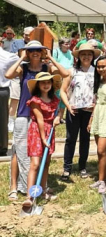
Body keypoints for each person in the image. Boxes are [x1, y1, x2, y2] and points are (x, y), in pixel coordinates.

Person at [5, 41, 68, 201]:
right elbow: (8, 75)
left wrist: (51, 58)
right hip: (23, 113)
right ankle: (14, 186)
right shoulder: (23, 68)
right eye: (31, 50)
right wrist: (21, 58)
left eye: (37, 50)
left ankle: (41, 186)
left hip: (42, 117)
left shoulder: (47, 68)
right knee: (18, 151)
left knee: (39, 154)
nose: (34, 53)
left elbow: (65, 74)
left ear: (42, 52)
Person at [21, 72, 62, 211]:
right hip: (38, 132)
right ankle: (29, 196)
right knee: (36, 163)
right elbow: (39, 120)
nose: (46, 85)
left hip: (50, 131)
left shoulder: (55, 99)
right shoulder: (35, 100)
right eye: (43, 82)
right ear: (38, 84)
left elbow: (60, 110)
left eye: (48, 82)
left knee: (46, 163)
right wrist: (44, 139)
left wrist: (58, 118)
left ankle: (43, 191)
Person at [60, 43, 100, 181]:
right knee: (70, 139)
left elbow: (99, 92)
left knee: (85, 139)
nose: (86, 57)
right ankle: (67, 168)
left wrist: (96, 106)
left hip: (89, 110)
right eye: (83, 54)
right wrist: (68, 106)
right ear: (79, 56)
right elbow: (62, 91)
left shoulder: (97, 71)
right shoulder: (71, 71)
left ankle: (82, 166)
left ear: (93, 56)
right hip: (74, 109)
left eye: (89, 54)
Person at [88, 56, 106, 194]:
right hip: (98, 115)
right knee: (101, 153)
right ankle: (102, 178)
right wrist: (91, 119)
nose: (101, 69)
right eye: (98, 67)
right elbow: (96, 101)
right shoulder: (98, 82)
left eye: (103, 66)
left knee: (101, 150)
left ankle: (103, 182)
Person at [0, 47, 18, 157]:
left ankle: (2, 147)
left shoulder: (7, 56)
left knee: (2, 119)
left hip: (1, 89)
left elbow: (22, 60)